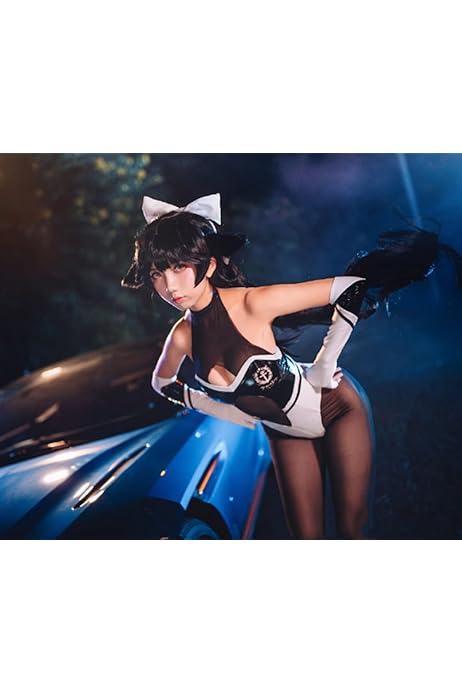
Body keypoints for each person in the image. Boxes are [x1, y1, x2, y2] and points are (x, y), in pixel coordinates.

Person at [122, 193, 461, 539]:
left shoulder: (254, 303)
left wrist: (324, 363)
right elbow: (162, 382)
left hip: (336, 407)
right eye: (157, 273)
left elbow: (351, 288)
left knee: (351, 533)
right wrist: (223, 411)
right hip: (283, 431)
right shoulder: (182, 336)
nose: (170, 285)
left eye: (179, 267)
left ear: (208, 266)